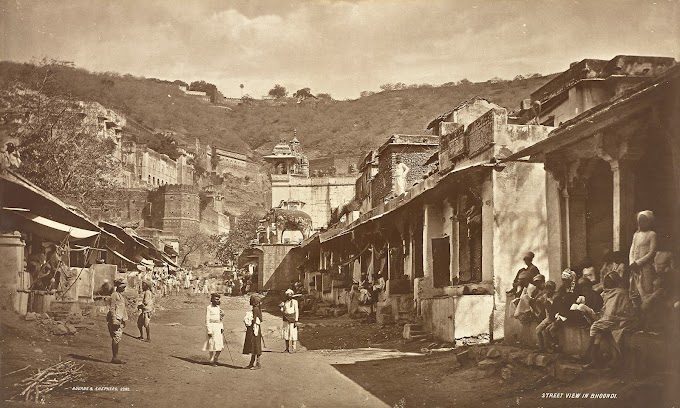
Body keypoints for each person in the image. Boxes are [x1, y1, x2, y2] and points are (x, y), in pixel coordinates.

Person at [582, 272, 637, 369]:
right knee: (598, 330)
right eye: (606, 281)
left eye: (609, 281)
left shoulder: (621, 292)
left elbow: (623, 309)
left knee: (595, 327)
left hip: (621, 319)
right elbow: (605, 310)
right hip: (611, 319)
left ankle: (589, 354)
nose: (607, 283)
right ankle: (594, 360)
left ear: (614, 282)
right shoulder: (607, 293)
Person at [629, 210, 657, 306]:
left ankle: (646, 310)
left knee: (646, 288)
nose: (642, 223)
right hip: (635, 267)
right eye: (640, 221)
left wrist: (638, 262)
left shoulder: (652, 234)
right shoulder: (636, 235)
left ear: (649, 222)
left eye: (644, 221)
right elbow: (632, 249)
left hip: (645, 267)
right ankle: (636, 311)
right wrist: (632, 262)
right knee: (635, 288)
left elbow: (652, 252)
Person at [107, 278, 129, 364]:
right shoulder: (114, 295)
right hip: (115, 319)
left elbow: (122, 309)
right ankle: (114, 358)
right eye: (123, 287)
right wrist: (114, 320)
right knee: (116, 338)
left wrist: (124, 320)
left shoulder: (120, 295)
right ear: (119, 287)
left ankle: (115, 357)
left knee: (117, 338)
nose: (124, 289)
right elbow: (112, 308)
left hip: (119, 319)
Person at [203, 293, 225, 366]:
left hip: (218, 327)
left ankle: (216, 358)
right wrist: (209, 330)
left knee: (219, 344)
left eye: (218, 299)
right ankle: (211, 360)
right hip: (212, 327)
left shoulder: (218, 308)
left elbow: (220, 319)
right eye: (216, 299)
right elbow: (207, 319)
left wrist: (222, 327)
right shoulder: (209, 307)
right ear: (212, 299)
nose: (217, 300)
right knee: (212, 344)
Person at [535, 280, 557, 351]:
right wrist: (540, 312)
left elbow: (556, 307)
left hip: (554, 317)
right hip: (548, 317)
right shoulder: (545, 296)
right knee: (538, 329)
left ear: (553, 289)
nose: (548, 290)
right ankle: (542, 348)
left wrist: (550, 301)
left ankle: (551, 347)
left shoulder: (555, 296)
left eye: (550, 288)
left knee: (547, 331)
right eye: (547, 288)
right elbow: (536, 301)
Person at [243, 295, 263, 369]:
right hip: (257, 328)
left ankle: (257, 364)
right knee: (255, 346)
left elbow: (254, 319)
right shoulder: (258, 309)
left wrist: (248, 321)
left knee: (255, 346)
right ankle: (252, 363)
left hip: (254, 329)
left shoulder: (255, 309)